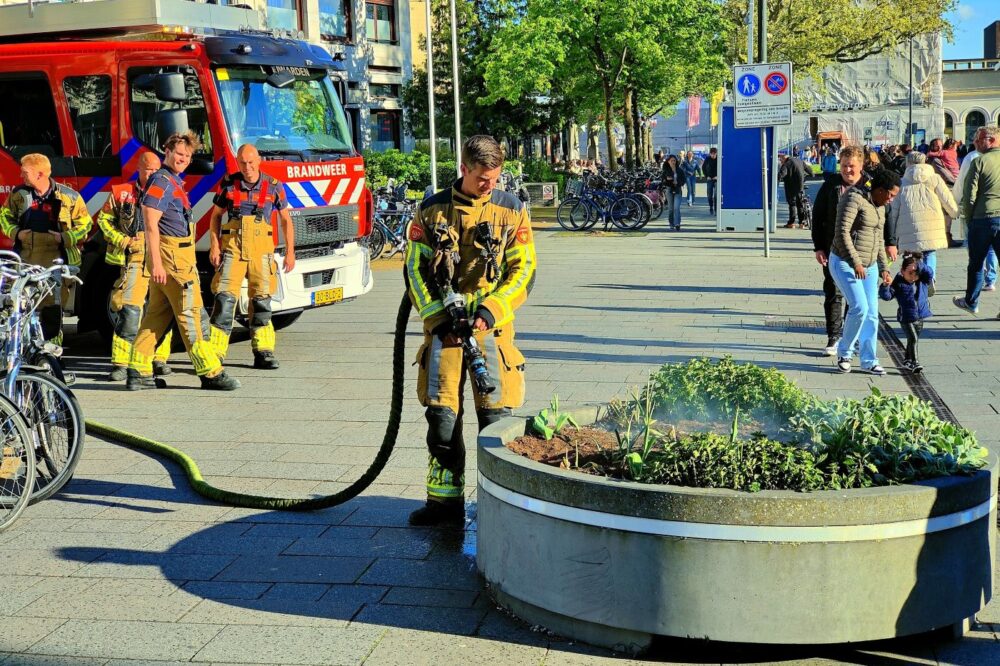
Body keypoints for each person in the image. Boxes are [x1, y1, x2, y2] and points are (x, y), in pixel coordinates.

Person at [404, 135, 536, 526]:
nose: (490, 185)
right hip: (445, 331)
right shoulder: (430, 211)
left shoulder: (512, 210)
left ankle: (501, 505)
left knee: (497, 420)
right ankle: (444, 506)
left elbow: (524, 270)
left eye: (495, 178)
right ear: (464, 168)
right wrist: (438, 318)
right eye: (483, 178)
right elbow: (414, 269)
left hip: (491, 335)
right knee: (442, 419)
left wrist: (491, 311)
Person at [127, 131, 239, 391]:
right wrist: (155, 263)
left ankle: (138, 370)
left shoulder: (170, 180)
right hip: (173, 259)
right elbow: (150, 221)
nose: (183, 159)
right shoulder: (163, 181)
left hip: (173, 257)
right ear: (166, 151)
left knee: (156, 316)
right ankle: (211, 372)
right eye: (179, 153)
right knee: (192, 314)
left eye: (187, 156)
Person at [208, 144, 296, 369]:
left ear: (258, 160)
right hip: (232, 249)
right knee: (224, 301)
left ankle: (263, 351)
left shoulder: (274, 186)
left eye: (251, 162)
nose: (247, 167)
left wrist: (290, 252)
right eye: (242, 163)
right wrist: (215, 246)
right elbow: (216, 216)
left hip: (262, 252)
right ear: (237, 162)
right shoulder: (228, 183)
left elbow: (286, 219)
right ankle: (215, 353)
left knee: (262, 302)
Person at [0, 153, 92, 345]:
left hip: (56, 259)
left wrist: (65, 237)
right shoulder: (19, 195)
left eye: (25, 173)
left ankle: (52, 354)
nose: (21, 177)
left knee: (53, 310)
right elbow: (4, 217)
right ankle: (26, 351)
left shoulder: (68, 196)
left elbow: (85, 225)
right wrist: (17, 233)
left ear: (40, 174)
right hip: (26, 258)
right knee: (24, 307)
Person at [97, 152, 174, 381]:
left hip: (162, 254)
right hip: (135, 256)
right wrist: (123, 241)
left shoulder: (168, 191)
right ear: (139, 169)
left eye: (156, 170)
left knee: (162, 309)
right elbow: (103, 220)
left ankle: (159, 359)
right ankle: (121, 363)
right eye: (148, 169)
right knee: (129, 309)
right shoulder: (122, 193)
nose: (152, 174)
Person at [828, 168, 900, 375]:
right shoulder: (853, 198)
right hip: (843, 261)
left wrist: (884, 269)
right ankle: (845, 352)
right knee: (859, 307)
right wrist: (856, 262)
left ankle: (869, 360)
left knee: (871, 314)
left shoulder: (880, 207)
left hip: (869, 265)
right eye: (891, 195)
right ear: (879, 190)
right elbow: (841, 232)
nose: (891, 200)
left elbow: (878, 239)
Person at [811, 145, 866, 356]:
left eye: (851, 166)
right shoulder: (831, 185)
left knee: (857, 297)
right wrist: (818, 247)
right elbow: (818, 217)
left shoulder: (868, 186)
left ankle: (852, 338)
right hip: (833, 249)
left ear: (860, 165)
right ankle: (834, 336)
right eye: (844, 166)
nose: (847, 170)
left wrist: (889, 242)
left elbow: (882, 216)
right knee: (833, 292)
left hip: (862, 250)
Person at [889, 151, 957, 280]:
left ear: (907, 163)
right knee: (930, 252)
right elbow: (946, 198)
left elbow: (895, 208)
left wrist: (890, 229)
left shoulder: (901, 182)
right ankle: (929, 278)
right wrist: (954, 212)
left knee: (912, 254)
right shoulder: (935, 178)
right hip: (932, 221)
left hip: (908, 224)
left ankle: (915, 276)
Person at [954, 125, 1000, 315]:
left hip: (982, 219)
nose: (974, 142)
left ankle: (972, 302)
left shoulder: (979, 162)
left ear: (991, 140)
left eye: (978, 139)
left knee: (975, 264)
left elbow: (969, 194)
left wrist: (969, 218)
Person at [879, 253, 933, 374]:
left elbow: (929, 272)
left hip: (920, 316)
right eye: (909, 273)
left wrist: (918, 264)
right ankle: (915, 362)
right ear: (902, 271)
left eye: (916, 274)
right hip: (906, 317)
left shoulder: (922, 280)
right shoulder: (898, 283)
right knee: (913, 338)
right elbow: (887, 296)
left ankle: (907, 360)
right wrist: (885, 286)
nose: (913, 277)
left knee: (912, 340)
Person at [778, 152, 810, 229]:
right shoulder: (799, 161)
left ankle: (791, 223)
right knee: (800, 204)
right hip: (800, 186)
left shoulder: (787, 164)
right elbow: (809, 170)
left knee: (792, 204)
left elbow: (782, 174)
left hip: (790, 187)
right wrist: (809, 176)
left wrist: (777, 179)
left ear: (784, 157)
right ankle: (802, 223)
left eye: (781, 159)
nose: (780, 161)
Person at [661, 154, 684, 230]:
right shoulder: (666, 171)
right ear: (668, 162)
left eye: (674, 160)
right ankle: (671, 223)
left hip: (677, 190)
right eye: (671, 161)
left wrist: (678, 183)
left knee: (676, 207)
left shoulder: (679, 170)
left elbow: (683, 180)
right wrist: (667, 180)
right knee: (671, 209)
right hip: (669, 190)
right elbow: (663, 181)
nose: (673, 162)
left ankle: (677, 223)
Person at [702, 147, 718, 215]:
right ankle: (711, 206)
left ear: (716, 153)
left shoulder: (719, 159)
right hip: (709, 179)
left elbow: (723, 168)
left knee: (716, 195)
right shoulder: (707, 159)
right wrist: (706, 176)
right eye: (712, 154)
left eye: (714, 154)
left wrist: (718, 177)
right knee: (709, 195)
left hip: (717, 179)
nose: (713, 155)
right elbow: (703, 168)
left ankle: (716, 210)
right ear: (710, 154)